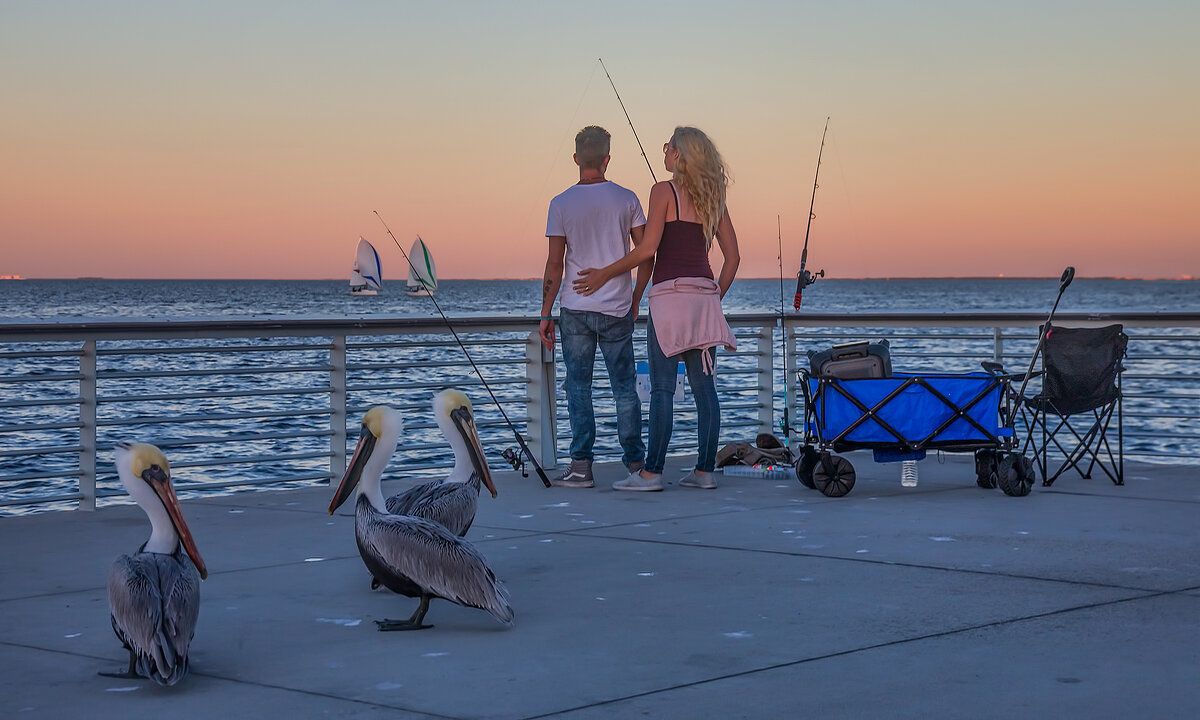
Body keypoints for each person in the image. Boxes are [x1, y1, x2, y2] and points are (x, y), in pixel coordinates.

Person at [574, 126, 740, 491]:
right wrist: (714, 300)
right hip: (703, 296)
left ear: (679, 154)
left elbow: (647, 250)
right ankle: (704, 472)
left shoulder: (663, 191)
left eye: (668, 147)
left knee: (662, 388)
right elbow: (733, 259)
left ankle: (651, 473)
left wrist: (605, 274)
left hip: (668, 298)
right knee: (704, 388)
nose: (664, 152)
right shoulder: (715, 198)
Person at [539, 125, 651, 488]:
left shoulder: (560, 203)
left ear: (575, 159)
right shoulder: (627, 198)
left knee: (578, 388)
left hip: (574, 307)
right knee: (624, 389)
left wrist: (545, 313)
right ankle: (636, 465)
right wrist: (635, 299)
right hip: (618, 307)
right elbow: (646, 255)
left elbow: (555, 265)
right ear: (607, 159)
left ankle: (581, 467)